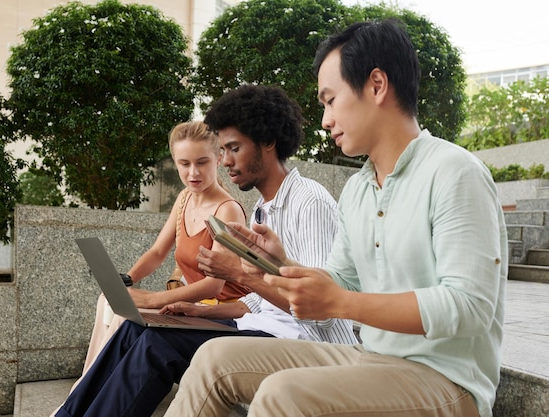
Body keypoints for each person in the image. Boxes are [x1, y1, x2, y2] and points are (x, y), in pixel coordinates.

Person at [164, 19, 508, 417]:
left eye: (330, 100)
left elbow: (469, 307)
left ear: (376, 85)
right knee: (213, 361)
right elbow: (339, 280)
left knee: (284, 393)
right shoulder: (359, 191)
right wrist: (280, 264)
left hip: (448, 381)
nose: (326, 119)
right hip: (371, 358)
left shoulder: (454, 171)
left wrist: (343, 302)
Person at [52, 84, 357, 417]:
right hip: (261, 327)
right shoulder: (263, 209)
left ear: (268, 142)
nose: (225, 161)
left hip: (307, 344)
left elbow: (319, 311)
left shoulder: (308, 201)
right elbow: (259, 302)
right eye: (223, 150)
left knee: (157, 346)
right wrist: (200, 311)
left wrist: (239, 274)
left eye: (233, 148)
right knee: (135, 328)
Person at [80, 120, 250, 373]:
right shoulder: (184, 199)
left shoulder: (228, 210)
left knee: (124, 314)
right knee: (108, 300)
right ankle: (85, 387)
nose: (193, 173)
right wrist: (128, 279)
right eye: (184, 164)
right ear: (175, 161)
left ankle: (91, 391)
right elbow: (158, 252)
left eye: (202, 162)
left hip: (222, 311)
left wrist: (153, 298)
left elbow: (214, 285)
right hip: (192, 304)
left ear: (218, 158)